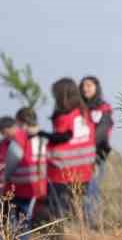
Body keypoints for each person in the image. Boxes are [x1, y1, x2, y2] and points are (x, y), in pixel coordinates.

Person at [39, 78, 98, 222]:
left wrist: (42, 134)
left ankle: (63, 239)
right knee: (78, 208)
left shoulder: (64, 116)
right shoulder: (84, 113)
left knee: (60, 211)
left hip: (62, 172)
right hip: (84, 171)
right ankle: (79, 234)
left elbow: (64, 136)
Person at [0, 108, 48, 233]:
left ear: (20, 122)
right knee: (32, 224)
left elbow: (11, 163)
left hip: (19, 189)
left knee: (20, 224)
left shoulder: (19, 139)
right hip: (39, 190)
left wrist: (4, 183)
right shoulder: (45, 138)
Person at [77, 75, 114, 226]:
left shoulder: (104, 108)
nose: (86, 89)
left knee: (93, 188)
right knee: (79, 191)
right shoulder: (78, 108)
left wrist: (89, 146)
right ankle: (81, 221)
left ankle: (91, 222)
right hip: (78, 156)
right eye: (83, 86)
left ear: (96, 87)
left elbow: (103, 130)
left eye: (89, 85)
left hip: (97, 154)